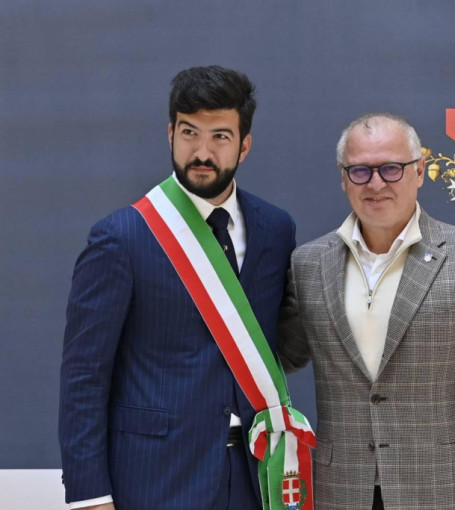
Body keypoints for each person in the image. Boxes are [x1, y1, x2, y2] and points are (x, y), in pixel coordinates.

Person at [59, 66, 297, 510]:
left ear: (244, 146)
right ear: (171, 134)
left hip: (255, 477)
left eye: (220, 136)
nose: (202, 152)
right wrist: (90, 496)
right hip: (156, 479)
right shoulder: (121, 237)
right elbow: (83, 376)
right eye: (189, 133)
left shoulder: (276, 229)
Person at [278, 113, 455, 510]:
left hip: (443, 492)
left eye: (391, 169)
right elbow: (283, 355)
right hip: (340, 492)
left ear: (420, 171)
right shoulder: (308, 264)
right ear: (343, 178)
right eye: (360, 171)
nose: (376, 183)